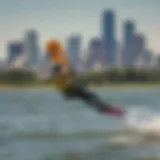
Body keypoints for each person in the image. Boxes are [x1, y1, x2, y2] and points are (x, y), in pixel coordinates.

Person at [45, 40, 124, 116]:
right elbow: (65, 74)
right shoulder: (57, 70)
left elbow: (66, 75)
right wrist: (68, 69)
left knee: (89, 98)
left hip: (68, 91)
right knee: (90, 97)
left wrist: (68, 69)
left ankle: (104, 109)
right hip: (70, 89)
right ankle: (105, 109)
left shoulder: (55, 69)